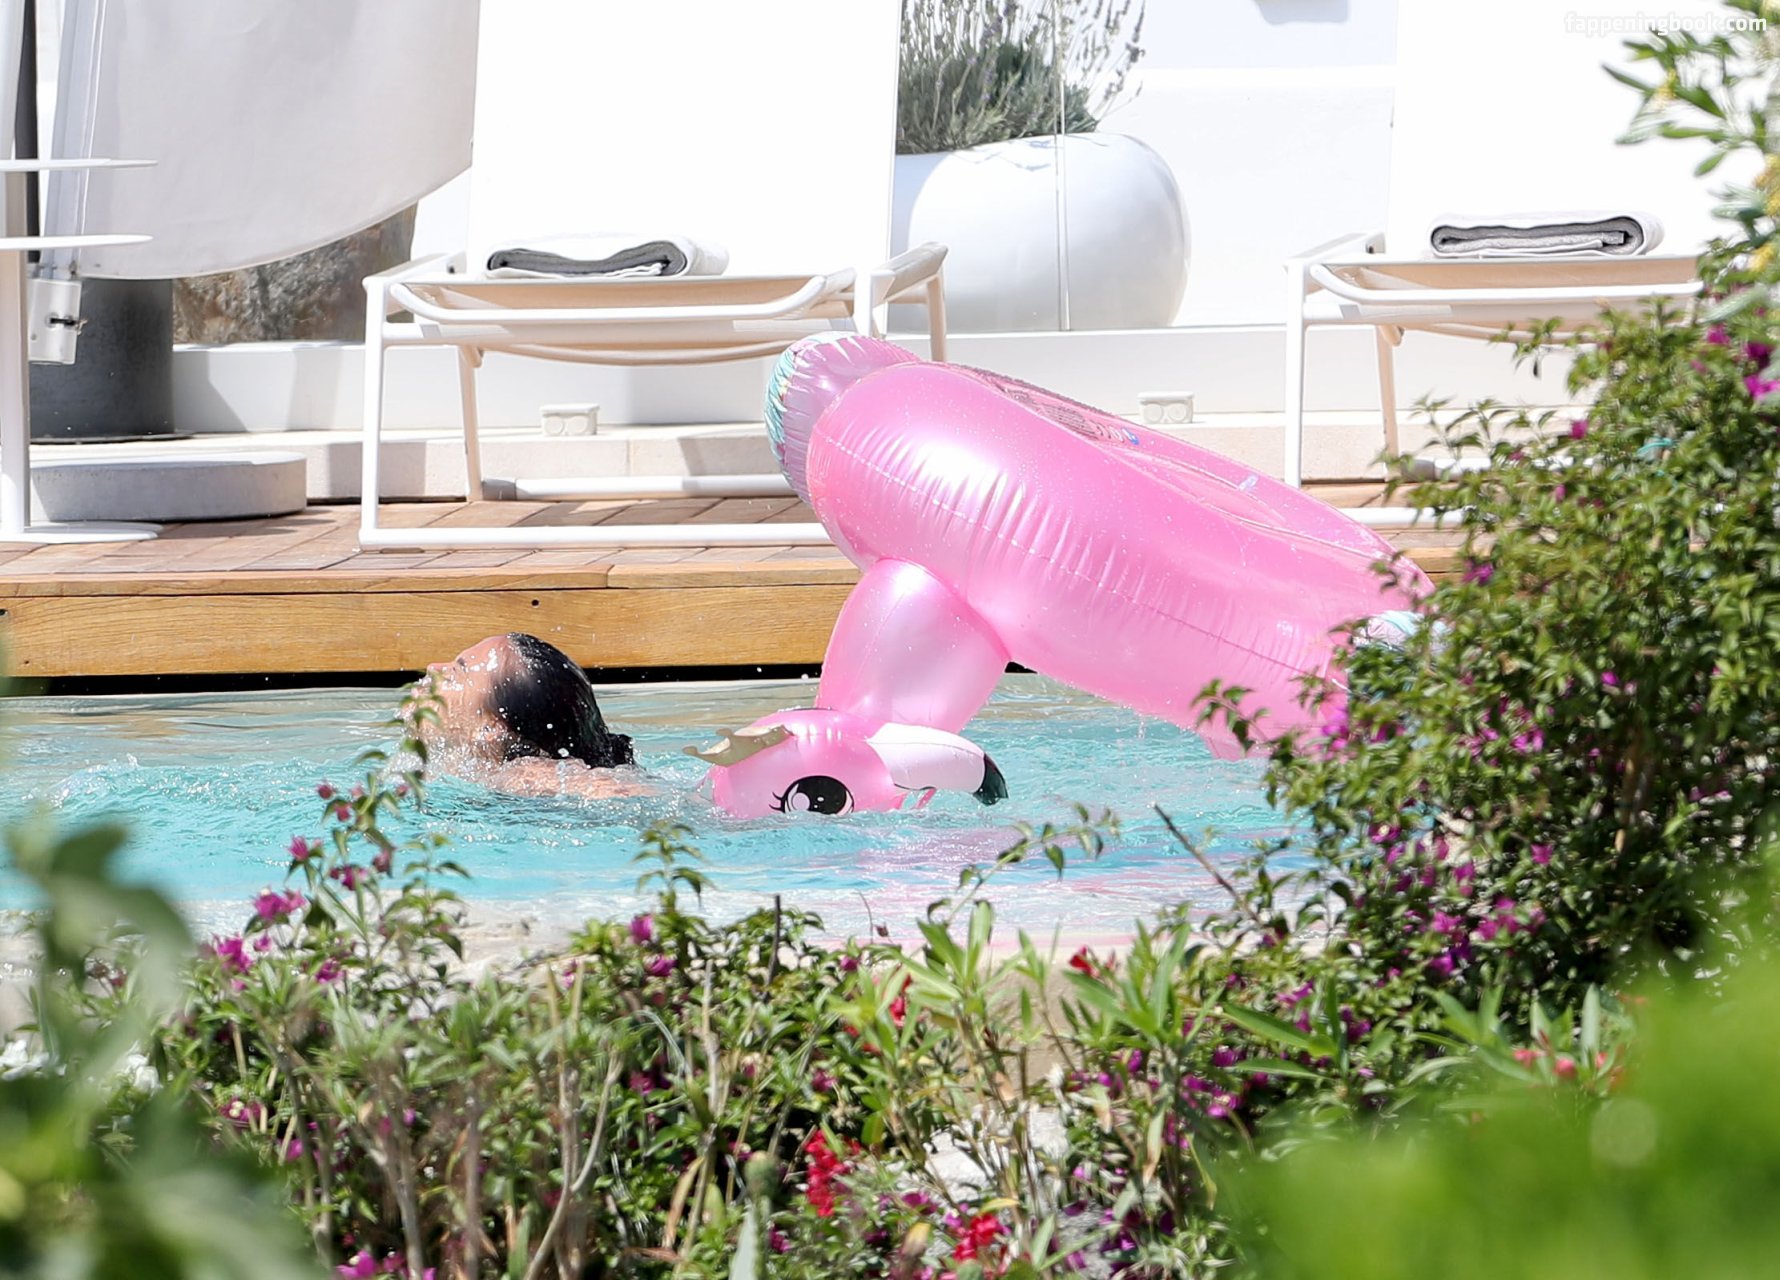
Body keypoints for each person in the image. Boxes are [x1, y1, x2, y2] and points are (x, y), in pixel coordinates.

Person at [417, 633, 650, 798]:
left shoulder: (522, 774)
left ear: (491, 727)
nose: (433, 667)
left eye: (455, 674)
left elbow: (633, 794)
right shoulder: (469, 767)